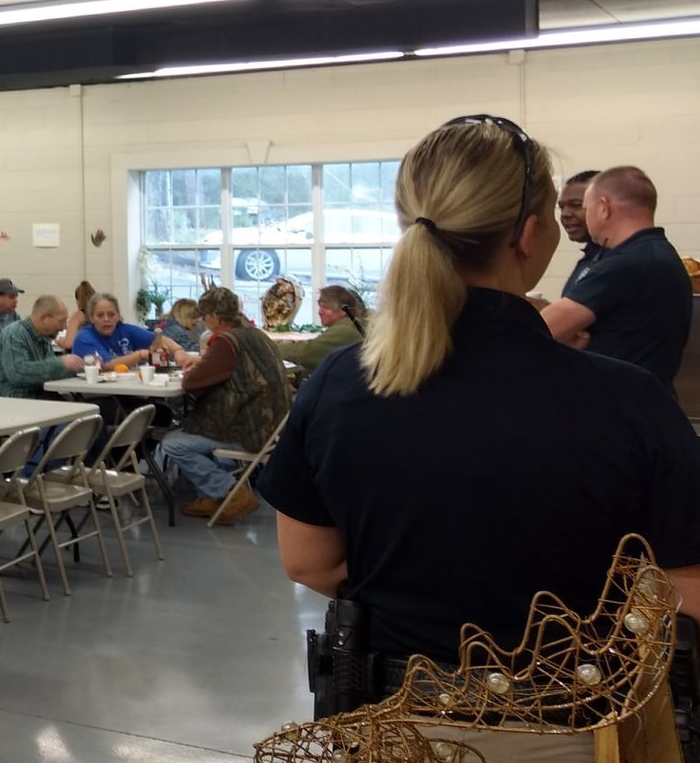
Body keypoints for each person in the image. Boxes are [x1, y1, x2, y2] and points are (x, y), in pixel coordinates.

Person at [258, 116, 700, 716]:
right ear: (529, 234)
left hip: (393, 726)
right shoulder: (630, 401)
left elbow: (308, 561)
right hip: (573, 724)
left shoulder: (341, 382)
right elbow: (686, 591)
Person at [542, 166, 693, 391]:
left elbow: (541, 329)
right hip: (643, 400)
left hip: (618, 407)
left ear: (603, 207)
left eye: (585, 207)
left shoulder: (626, 264)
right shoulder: (657, 254)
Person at [157, 287, 290, 526]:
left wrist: (198, 365)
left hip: (246, 431)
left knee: (173, 443)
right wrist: (203, 361)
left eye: (205, 316)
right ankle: (210, 498)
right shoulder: (254, 334)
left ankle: (229, 491)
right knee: (194, 429)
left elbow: (191, 383)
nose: (202, 320)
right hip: (271, 427)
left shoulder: (226, 342)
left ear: (216, 318)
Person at [0, 295, 87, 397]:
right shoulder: (14, 333)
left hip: (38, 395)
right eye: (61, 321)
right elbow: (18, 374)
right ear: (44, 318)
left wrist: (82, 366)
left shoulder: (44, 336)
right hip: (14, 400)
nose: (64, 327)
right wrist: (61, 363)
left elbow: (48, 372)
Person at [276, 286, 365, 382]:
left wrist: (270, 348)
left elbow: (307, 352)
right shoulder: (357, 323)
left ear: (343, 310)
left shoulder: (346, 328)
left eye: (326, 307)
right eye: (320, 306)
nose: (320, 312)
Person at [72, 293, 186, 366]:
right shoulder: (84, 338)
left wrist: (178, 351)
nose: (106, 319)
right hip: (99, 395)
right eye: (100, 315)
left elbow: (158, 340)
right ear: (91, 318)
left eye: (111, 315)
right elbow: (108, 366)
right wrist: (140, 355)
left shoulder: (125, 330)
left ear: (118, 316)